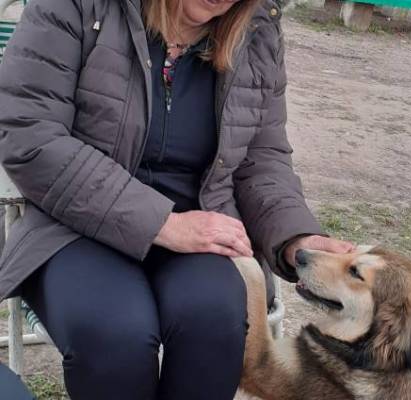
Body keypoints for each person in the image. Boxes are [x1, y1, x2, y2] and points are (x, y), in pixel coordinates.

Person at [0, 0, 353, 399]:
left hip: (202, 224)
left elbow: (261, 161)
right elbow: (31, 136)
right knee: (117, 334)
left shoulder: (257, 29)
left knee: (214, 321)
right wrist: (164, 225)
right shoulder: (78, 6)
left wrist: (297, 239)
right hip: (77, 223)